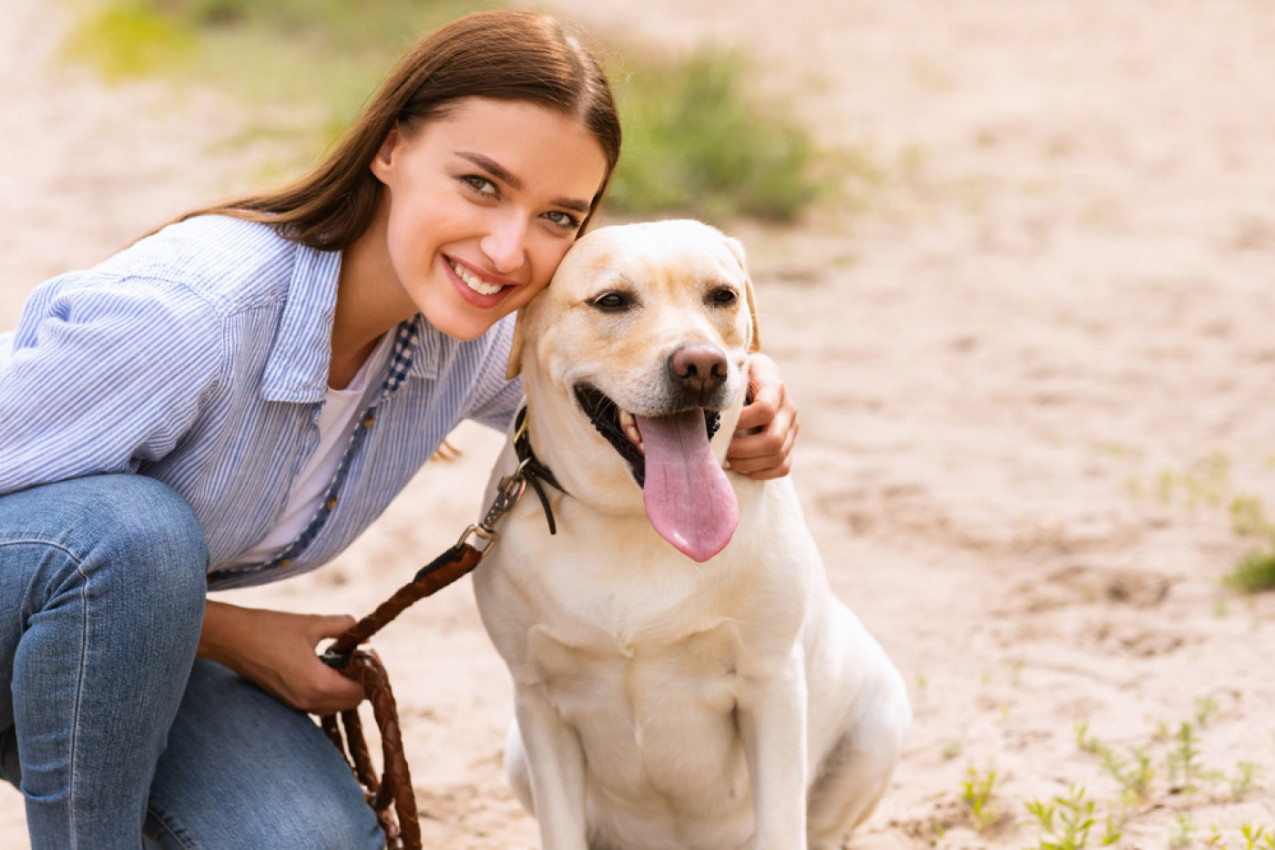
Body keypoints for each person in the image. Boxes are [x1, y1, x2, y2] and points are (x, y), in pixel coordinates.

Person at [0, 9, 799, 848]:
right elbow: (101, 562)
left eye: (557, 217)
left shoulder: (472, 333)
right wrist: (236, 636)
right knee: (136, 534)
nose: (505, 249)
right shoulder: (192, 318)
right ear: (389, 148)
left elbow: (602, 379)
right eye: (481, 185)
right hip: (61, 600)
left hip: (96, 662)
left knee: (315, 842)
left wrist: (745, 385)